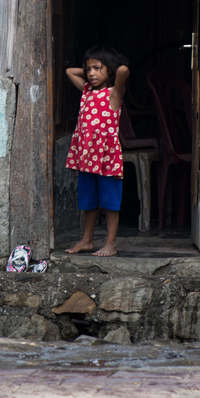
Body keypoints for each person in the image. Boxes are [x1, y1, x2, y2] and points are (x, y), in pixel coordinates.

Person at [63, 45, 129, 257]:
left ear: (109, 69)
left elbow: (123, 71)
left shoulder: (114, 94)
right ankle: (87, 240)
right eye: (88, 69)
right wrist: (93, 69)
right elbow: (69, 72)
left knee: (110, 202)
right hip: (86, 158)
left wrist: (109, 68)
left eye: (96, 68)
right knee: (88, 202)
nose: (91, 73)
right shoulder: (86, 92)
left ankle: (110, 244)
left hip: (107, 158)